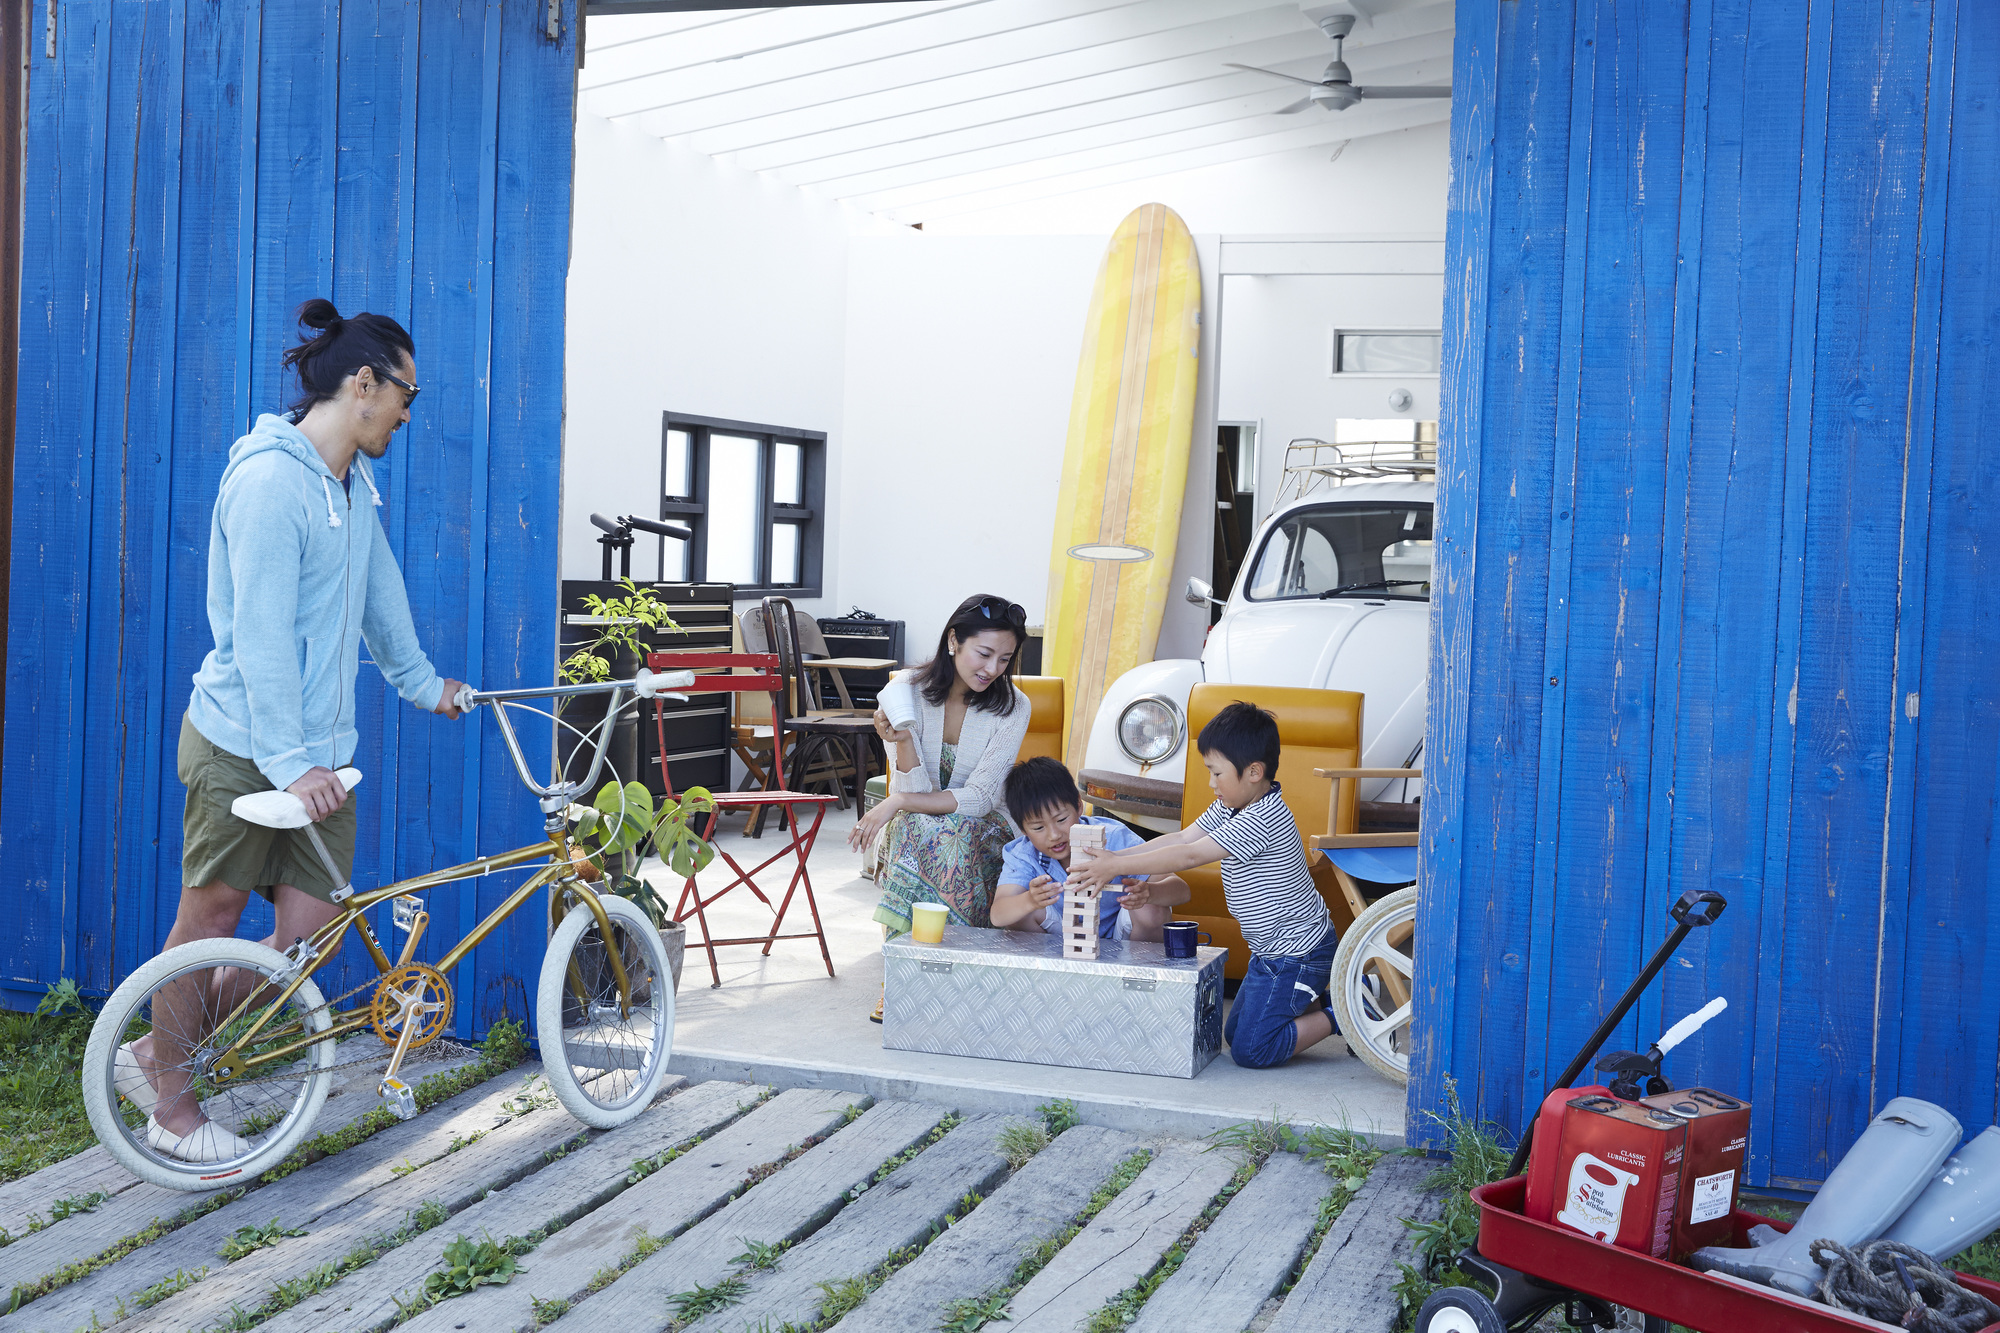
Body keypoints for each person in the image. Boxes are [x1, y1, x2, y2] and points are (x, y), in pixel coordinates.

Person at [118, 299, 466, 1163]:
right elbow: (264, 636)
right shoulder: (272, 481)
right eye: (405, 395)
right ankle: (171, 1104)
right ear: (363, 384)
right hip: (243, 745)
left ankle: (156, 1050)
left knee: (306, 935)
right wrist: (288, 760)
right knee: (210, 919)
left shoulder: (350, 486)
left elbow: (379, 598)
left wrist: (425, 685)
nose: (408, 413)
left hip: (317, 760)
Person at [1066, 701, 1337, 1069]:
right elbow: (1180, 838)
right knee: (1234, 1032)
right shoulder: (1232, 805)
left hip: (1297, 954)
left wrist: (1119, 864)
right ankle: (1313, 1000)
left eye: (1216, 773)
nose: (1211, 783)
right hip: (1270, 954)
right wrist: (1117, 859)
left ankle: (1343, 1013)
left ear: (1254, 772)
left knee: (1251, 1050)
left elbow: (1189, 856)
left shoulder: (1262, 818)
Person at [849, 593, 1031, 1022]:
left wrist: (896, 801)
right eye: (984, 654)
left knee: (934, 830)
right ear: (954, 640)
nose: (993, 669)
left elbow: (983, 797)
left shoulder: (1013, 706)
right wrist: (903, 740)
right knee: (921, 829)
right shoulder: (904, 691)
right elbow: (915, 785)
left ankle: (926, 973)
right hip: (922, 823)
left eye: (1005, 659)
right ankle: (904, 971)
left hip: (988, 825)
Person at [990, 757, 1189, 942]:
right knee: (1020, 914)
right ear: (1023, 829)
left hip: (1122, 939)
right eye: (1038, 828)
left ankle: (1139, 976)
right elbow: (998, 915)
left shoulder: (1114, 837)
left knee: (1150, 907)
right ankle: (1053, 975)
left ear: (1078, 805)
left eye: (1061, 820)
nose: (1054, 835)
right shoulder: (1023, 854)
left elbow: (1182, 891)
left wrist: (1150, 892)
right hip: (1062, 939)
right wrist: (1030, 900)